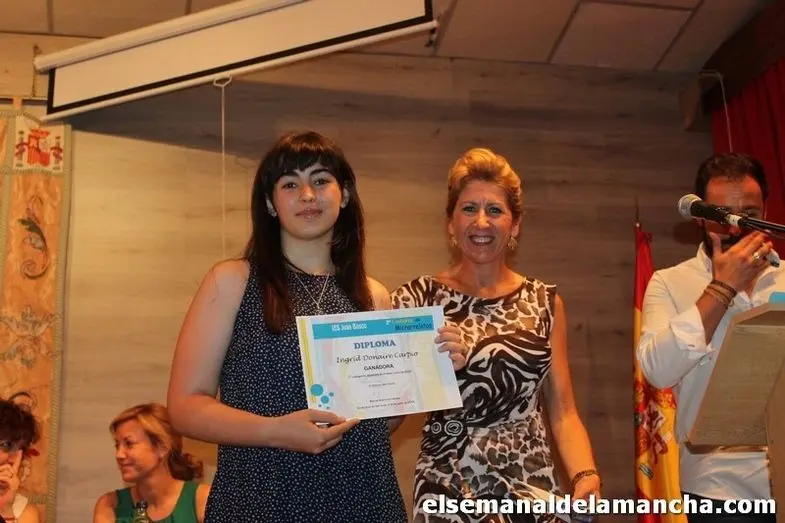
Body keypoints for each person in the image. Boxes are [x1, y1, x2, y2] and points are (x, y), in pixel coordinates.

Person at [166, 131, 468, 522]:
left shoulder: (373, 295)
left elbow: (380, 423)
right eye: (290, 184)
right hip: (263, 501)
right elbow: (184, 407)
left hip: (363, 500)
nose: (308, 195)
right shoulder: (232, 281)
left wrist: (429, 369)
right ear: (270, 203)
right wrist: (275, 431)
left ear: (344, 195)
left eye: (321, 180)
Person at [391, 148, 601, 522]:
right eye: (469, 209)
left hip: (531, 487)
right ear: (450, 223)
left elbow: (564, 410)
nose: (481, 222)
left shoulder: (546, 302)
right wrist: (425, 370)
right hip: (448, 485)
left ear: (515, 225)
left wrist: (585, 475)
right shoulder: (417, 300)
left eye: (495, 210)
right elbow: (385, 404)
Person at [637, 152, 781, 522]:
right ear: (701, 218)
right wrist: (722, 288)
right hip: (718, 487)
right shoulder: (670, 283)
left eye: (749, 215)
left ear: (766, 211)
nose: (736, 229)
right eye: (723, 217)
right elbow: (657, 370)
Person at [92, 402, 210, 523]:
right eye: (117, 445)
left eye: (129, 444)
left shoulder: (204, 500)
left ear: (162, 448)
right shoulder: (110, 505)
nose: (119, 455)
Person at [0, 398, 40, 523]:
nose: (14, 458)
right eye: (6, 445)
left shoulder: (24, 511)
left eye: (21, 449)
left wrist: (6, 509)